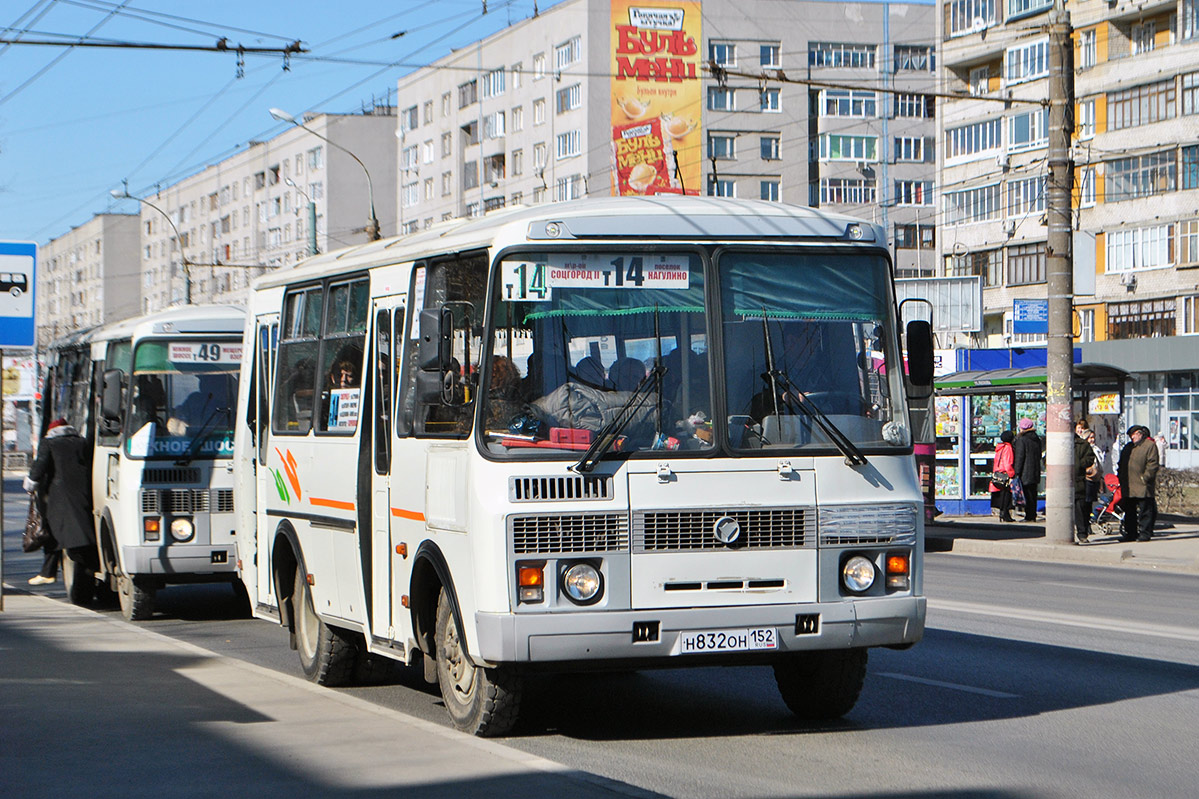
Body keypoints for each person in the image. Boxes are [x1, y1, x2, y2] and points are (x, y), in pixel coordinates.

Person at [24, 418, 93, 586]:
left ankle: (48, 573)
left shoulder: (50, 443)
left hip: (58, 496)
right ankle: (54, 571)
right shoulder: (81, 442)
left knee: (52, 533)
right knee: (77, 533)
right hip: (82, 493)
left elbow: (40, 465)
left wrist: (30, 483)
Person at [1117, 425, 1159, 542]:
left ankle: (1145, 533)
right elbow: (1121, 464)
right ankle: (1131, 533)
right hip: (1128, 485)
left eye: (1134, 434)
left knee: (1145, 511)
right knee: (1129, 512)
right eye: (1131, 435)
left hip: (1143, 485)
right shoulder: (1128, 447)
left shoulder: (1149, 446)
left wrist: (1145, 478)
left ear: (1140, 434)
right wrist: (1120, 477)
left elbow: (1153, 464)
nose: (1132, 437)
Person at [1012, 417, 1043, 522]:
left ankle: (1029, 516)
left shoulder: (1022, 440)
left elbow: (1020, 457)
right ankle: (1032, 514)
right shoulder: (1037, 439)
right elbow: (1039, 455)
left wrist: (1017, 472)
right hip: (1035, 470)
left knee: (1026, 494)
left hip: (1025, 471)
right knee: (1033, 494)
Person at [1074, 424, 1097, 544]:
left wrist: (1079, 464)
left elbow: (1090, 458)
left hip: (1078, 481)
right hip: (1062, 483)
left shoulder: (1082, 444)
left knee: (1080, 509)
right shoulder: (1058, 442)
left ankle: (1082, 534)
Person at [990, 430, 1016, 522]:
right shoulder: (1008, 448)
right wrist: (1012, 474)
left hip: (998, 473)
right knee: (1007, 495)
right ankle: (1005, 514)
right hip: (1005, 473)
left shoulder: (999, 447)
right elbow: (1008, 462)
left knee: (1001, 495)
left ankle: (1002, 513)